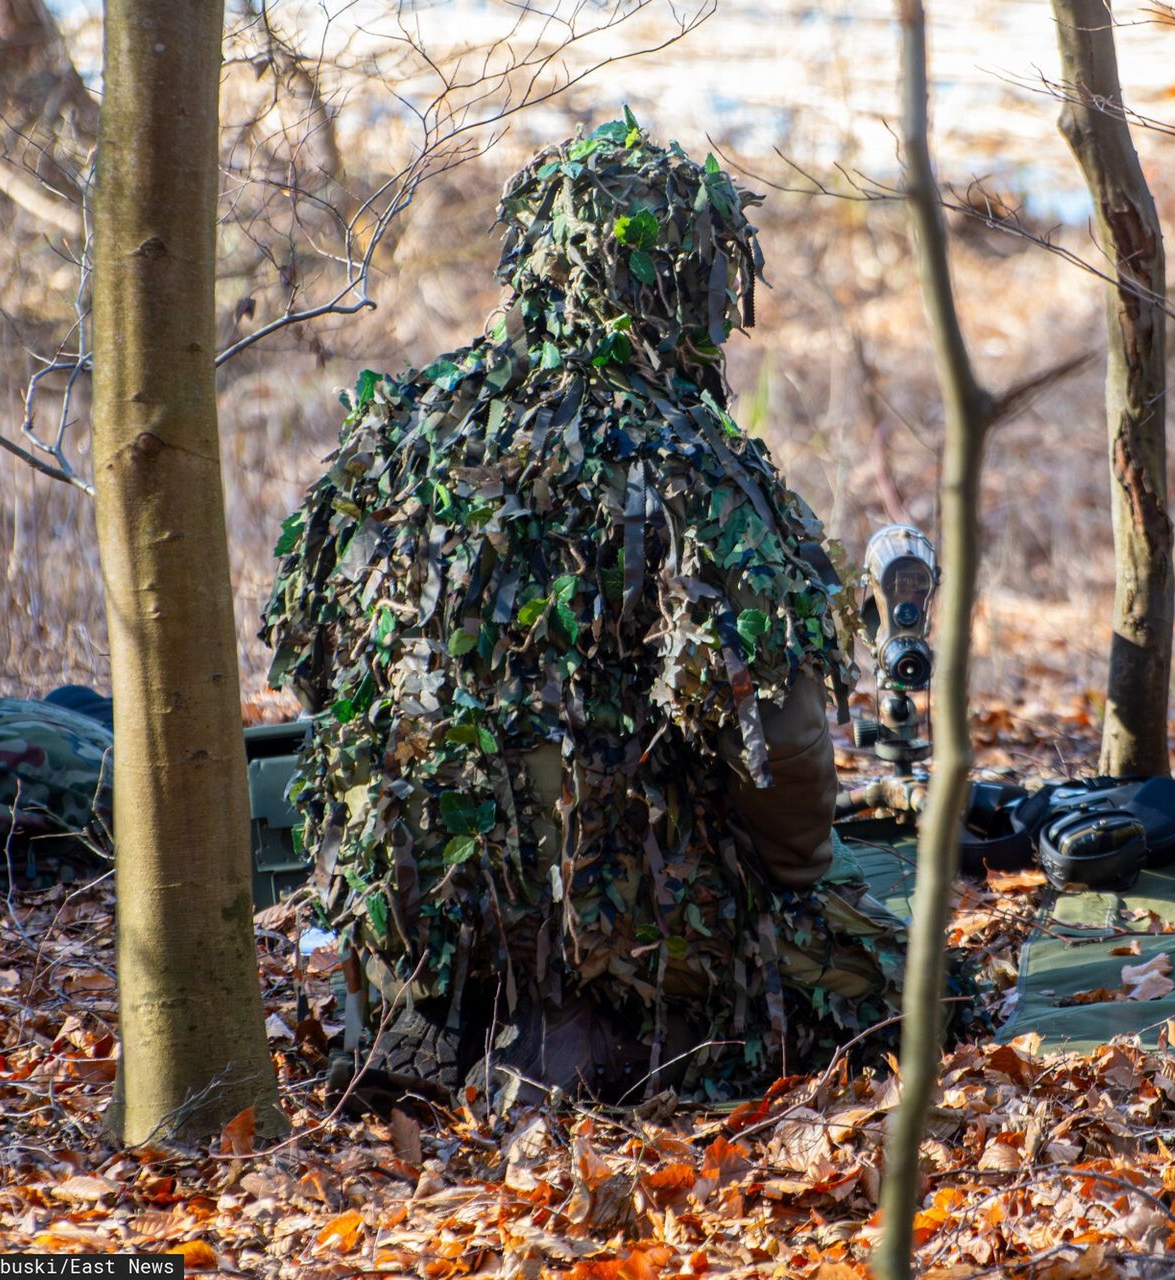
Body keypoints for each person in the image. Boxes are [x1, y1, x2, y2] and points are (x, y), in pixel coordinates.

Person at [261, 114, 905, 1103]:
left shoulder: (406, 424)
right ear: (693, 281)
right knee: (906, 985)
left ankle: (449, 1019)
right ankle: (584, 1036)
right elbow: (779, 758)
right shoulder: (691, 460)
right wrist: (803, 874)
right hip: (608, 923)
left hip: (413, 911)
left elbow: (317, 665)